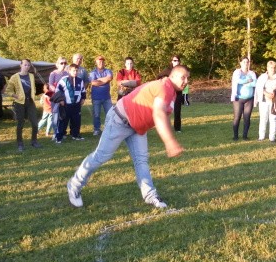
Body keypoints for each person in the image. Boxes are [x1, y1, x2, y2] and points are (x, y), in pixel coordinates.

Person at [66, 65, 189, 209]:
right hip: (119, 121)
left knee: (141, 160)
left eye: (188, 78)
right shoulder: (164, 88)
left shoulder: (172, 92)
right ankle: (74, 185)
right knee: (101, 156)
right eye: (183, 77)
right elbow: (159, 114)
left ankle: (150, 195)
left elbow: (162, 114)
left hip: (137, 127)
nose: (186, 81)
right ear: (172, 76)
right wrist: (170, 142)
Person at [6, 59, 42, 151]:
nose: (27, 67)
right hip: (19, 103)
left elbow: (33, 87)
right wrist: (15, 96)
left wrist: (33, 94)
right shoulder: (15, 77)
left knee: (35, 123)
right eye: (25, 65)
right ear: (21, 65)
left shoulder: (31, 76)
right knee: (20, 123)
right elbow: (8, 90)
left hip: (30, 102)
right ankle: (20, 143)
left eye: (28, 65)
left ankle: (34, 141)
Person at [254, 60, 276, 142]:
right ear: (267, 68)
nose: (273, 69)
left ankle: (272, 137)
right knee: (263, 119)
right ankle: (261, 136)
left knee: (273, 119)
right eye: (271, 67)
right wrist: (266, 93)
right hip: (264, 101)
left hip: (274, 102)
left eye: (274, 67)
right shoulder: (262, 77)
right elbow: (258, 88)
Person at [54, 63, 87, 142]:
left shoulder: (80, 80)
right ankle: (59, 137)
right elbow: (58, 91)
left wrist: (83, 98)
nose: (75, 72)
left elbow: (83, 90)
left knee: (76, 121)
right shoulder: (64, 80)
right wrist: (61, 100)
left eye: (76, 71)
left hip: (76, 105)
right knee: (63, 121)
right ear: (69, 71)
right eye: (73, 71)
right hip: (66, 105)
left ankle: (75, 135)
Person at [230, 57, 257, 141]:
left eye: (247, 62)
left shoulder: (252, 73)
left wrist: (246, 84)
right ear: (240, 63)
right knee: (237, 117)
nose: (246, 63)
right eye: (244, 62)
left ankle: (245, 136)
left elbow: (255, 83)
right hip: (238, 99)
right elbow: (238, 81)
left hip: (249, 99)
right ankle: (235, 136)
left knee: (247, 118)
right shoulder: (237, 72)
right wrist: (248, 80)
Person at [158, 56, 183, 132]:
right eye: (174, 60)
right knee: (165, 111)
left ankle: (177, 128)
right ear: (172, 61)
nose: (176, 62)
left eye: (177, 60)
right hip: (169, 93)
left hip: (178, 93)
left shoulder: (181, 70)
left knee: (177, 111)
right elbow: (159, 76)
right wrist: (163, 84)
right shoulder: (168, 70)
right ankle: (164, 127)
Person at [89, 55, 113, 136]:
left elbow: (110, 78)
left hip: (107, 97)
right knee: (96, 114)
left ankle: (109, 128)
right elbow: (93, 83)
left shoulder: (108, 71)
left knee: (110, 113)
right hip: (96, 97)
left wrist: (98, 80)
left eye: (102, 61)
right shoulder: (93, 72)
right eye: (99, 62)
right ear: (96, 62)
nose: (101, 63)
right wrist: (104, 81)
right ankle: (97, 129)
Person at [48, 57, 69, 140]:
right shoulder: (53, 74)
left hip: (65, 97)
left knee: (63, 115)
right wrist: (59, 95)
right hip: (56, 98)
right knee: (55, 116)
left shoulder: (67, 73)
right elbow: (50, 85)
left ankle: (62, 132)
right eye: (61, 63)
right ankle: (55, 133)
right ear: (57, 64)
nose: (63, 65)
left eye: (65, 63)